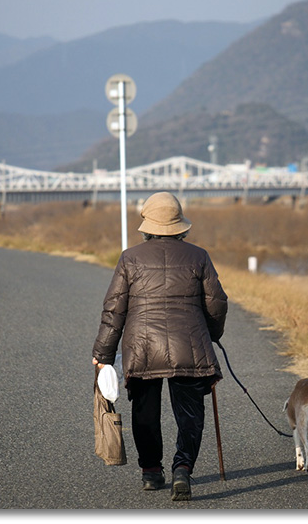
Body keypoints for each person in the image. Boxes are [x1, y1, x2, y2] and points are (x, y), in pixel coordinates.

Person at [92, 191, 228, 501]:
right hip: (189, 345)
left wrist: (102, 354)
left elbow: (115, 310)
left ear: (146, 226)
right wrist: (212, 334)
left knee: (145, 412)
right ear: (182, 227)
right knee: (190, 413)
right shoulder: (199, 256)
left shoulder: (130, 257)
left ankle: (151, 472)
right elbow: (217, 303)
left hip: (142, 348)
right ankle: (182, 468)